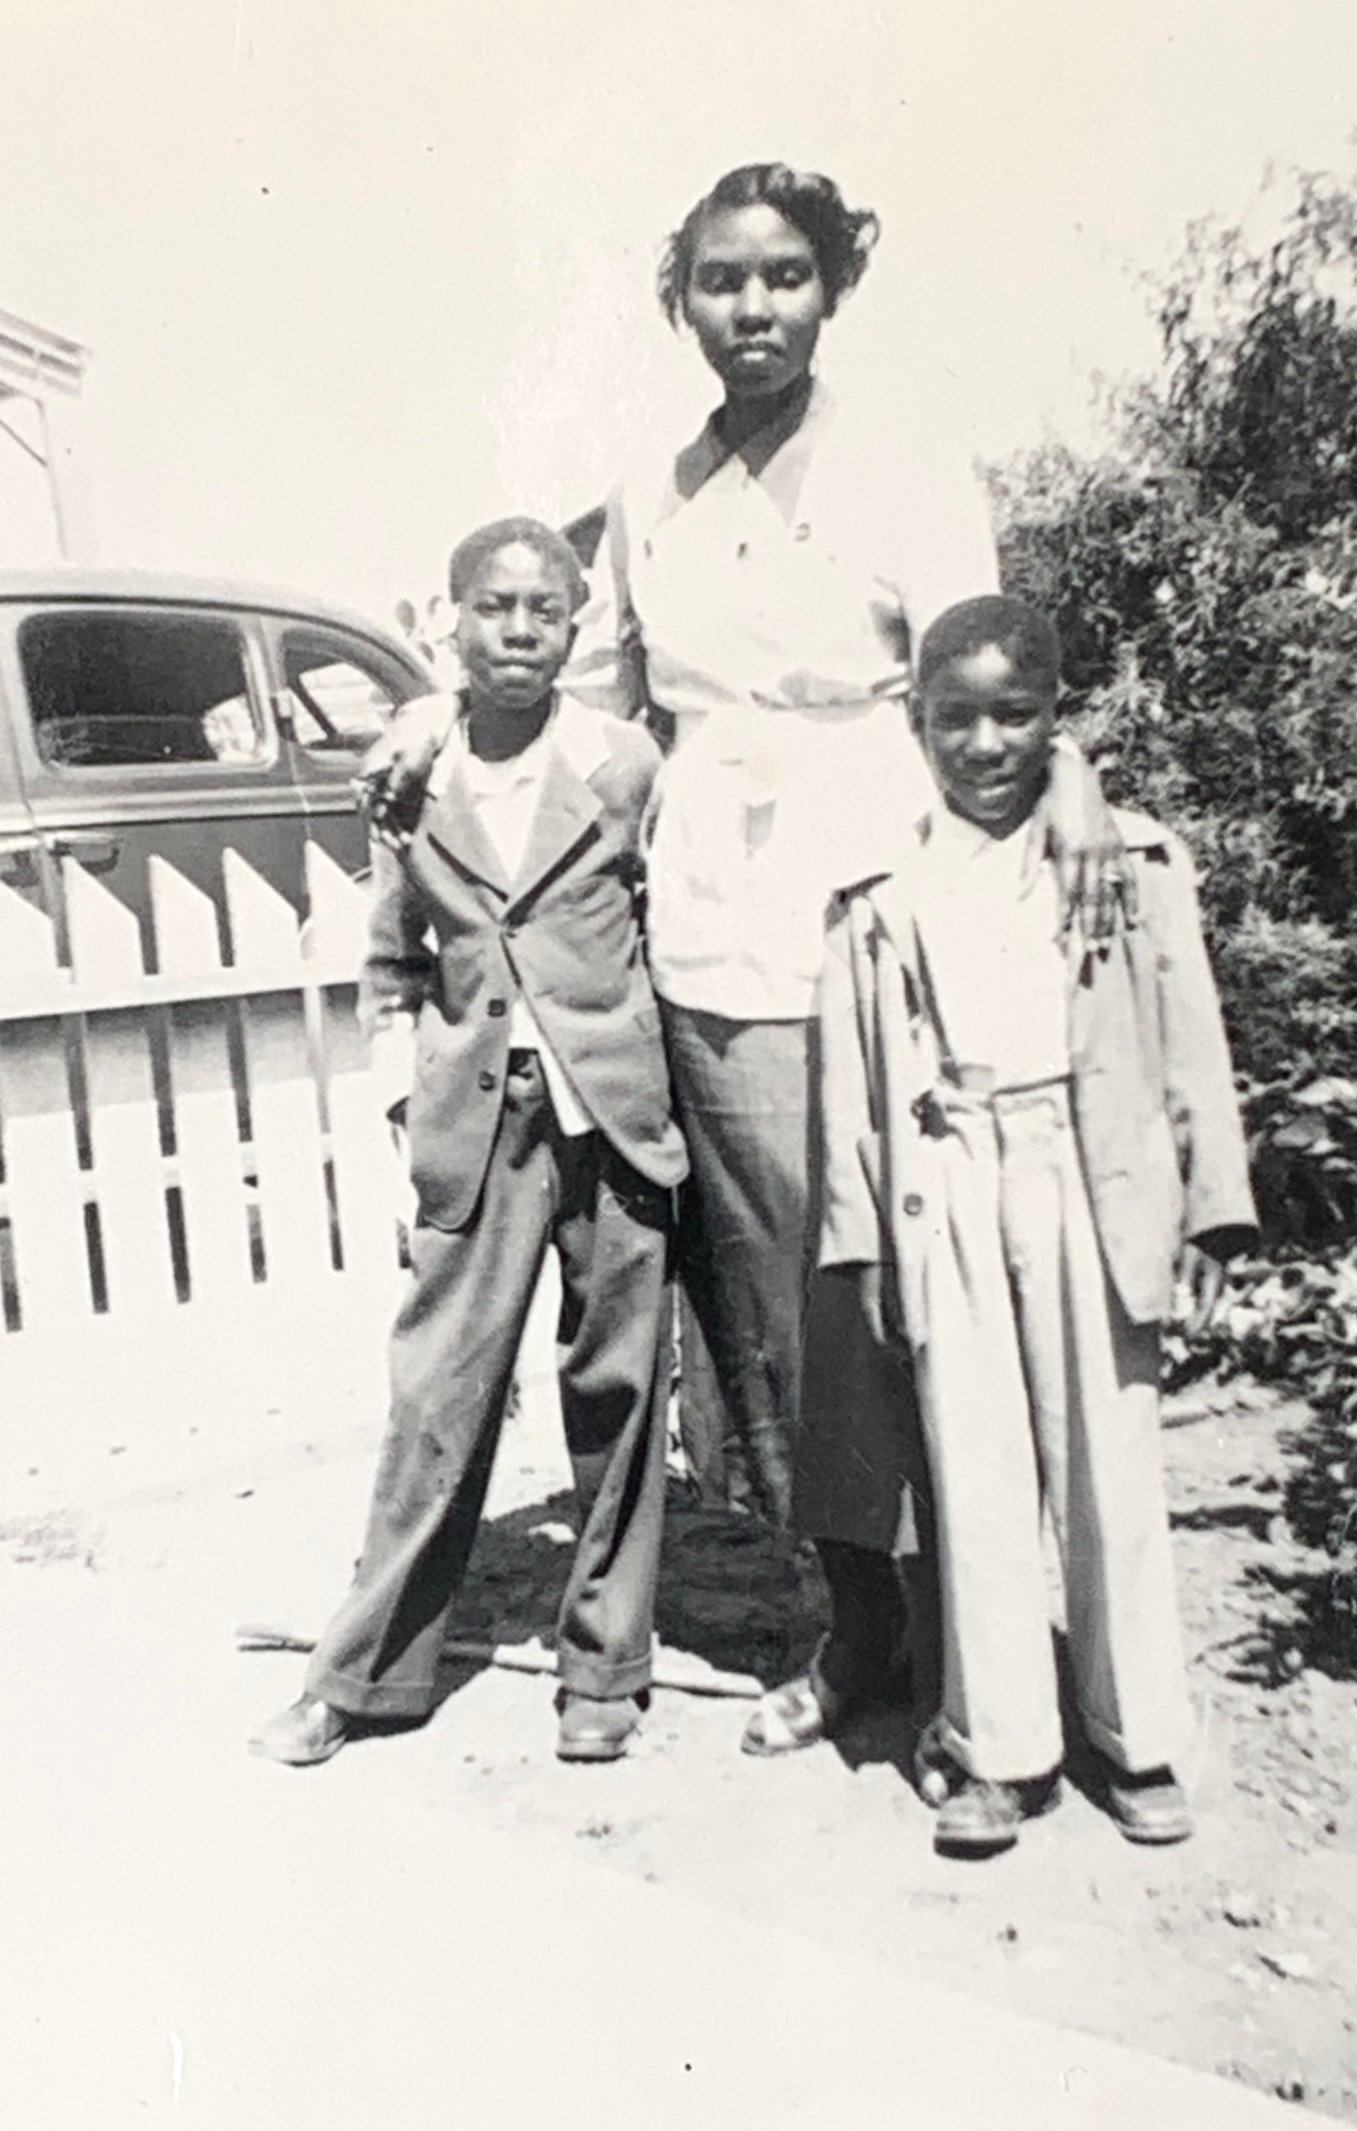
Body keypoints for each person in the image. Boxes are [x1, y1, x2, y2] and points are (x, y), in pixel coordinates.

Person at [366, 162, 1126, 1734]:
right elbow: (587, 692)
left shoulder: (908, 467)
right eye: (721, 279)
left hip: (889, 905)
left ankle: (985, 1642)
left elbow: (989, 678)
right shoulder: (653, 489)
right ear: (683, 301)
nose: (754, 306)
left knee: (922, 1274)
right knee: (779, 1304)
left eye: (785, 274)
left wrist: (1072, 796)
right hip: (715, 928)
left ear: (833, 286)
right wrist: (438, 714)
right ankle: (859, 1632)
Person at [792, 591, 1257, 1858]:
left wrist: (1211, 1209)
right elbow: (850, 1086)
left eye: (1017, 715)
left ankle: (1138, 1736)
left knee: (1111, 1467)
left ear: (1059, 717)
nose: (987, 745)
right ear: (916, 722)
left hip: (1085, 1174)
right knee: (977, 1472)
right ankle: (1001, 1748)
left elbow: (1190, 1041)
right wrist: (863, 1242)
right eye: (957, 719)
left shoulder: (1130, 860)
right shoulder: (876, 887)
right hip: (946, 1176)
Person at [255, 519, 688, 1769]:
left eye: (545, 610)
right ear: (449, 621)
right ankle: (364, 1674)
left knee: (617, 1391)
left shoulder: (621, 765)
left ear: (575, 625)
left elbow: (658, 920)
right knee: (438, 1395)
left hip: (613, 1118)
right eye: (494, 607)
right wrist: (407, 1109)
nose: (519, 631)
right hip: (477, 1125)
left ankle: (603, 1668)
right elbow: (393, 963)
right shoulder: (412, 780)